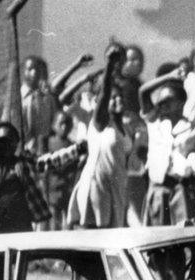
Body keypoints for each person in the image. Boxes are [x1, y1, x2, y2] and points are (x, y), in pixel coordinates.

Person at [66, 45, 132, 229]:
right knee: (94, 235)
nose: (117, 100)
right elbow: (104, 96)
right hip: (97, 185)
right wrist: (110, 65)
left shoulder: (125, 127)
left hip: (116, 186)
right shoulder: (100, 123)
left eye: (120, 98)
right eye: (113, 98)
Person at [138, 67, 195, 227]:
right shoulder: (154, 123)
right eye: (159, 103)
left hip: (179, 190)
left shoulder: (191, 128)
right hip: (158, 190)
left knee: (182, 236)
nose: (161, 106)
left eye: (167, 102)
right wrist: (169, 76)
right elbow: (143, 92)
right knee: (158, 237)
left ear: (181, 103)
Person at [0, 123, 51, 234]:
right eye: (1, 142)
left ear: (17, 143)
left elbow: (48, 162)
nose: (6, 146)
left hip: (21, 222)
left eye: (11, 142)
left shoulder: (23, 162)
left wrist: (77, 149)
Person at [41, 112, 84, 230]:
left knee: (68, 223)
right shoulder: (47, 143)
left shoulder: (72, 145)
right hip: (52, 190)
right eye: (61, 124)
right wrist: (45, 193)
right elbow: (44, 170)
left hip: (67, 190)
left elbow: (75, 169)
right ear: (54, 125)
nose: (64, 127)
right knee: (54, 223)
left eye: (67, 124)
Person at [21, 55, 59, 155]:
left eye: (37, 69)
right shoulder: (17, 98)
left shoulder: (48, 99)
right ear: (23, 71)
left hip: (44, 151)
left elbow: (53, 124)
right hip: (23, 152)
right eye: (30, 69)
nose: (34, 73)